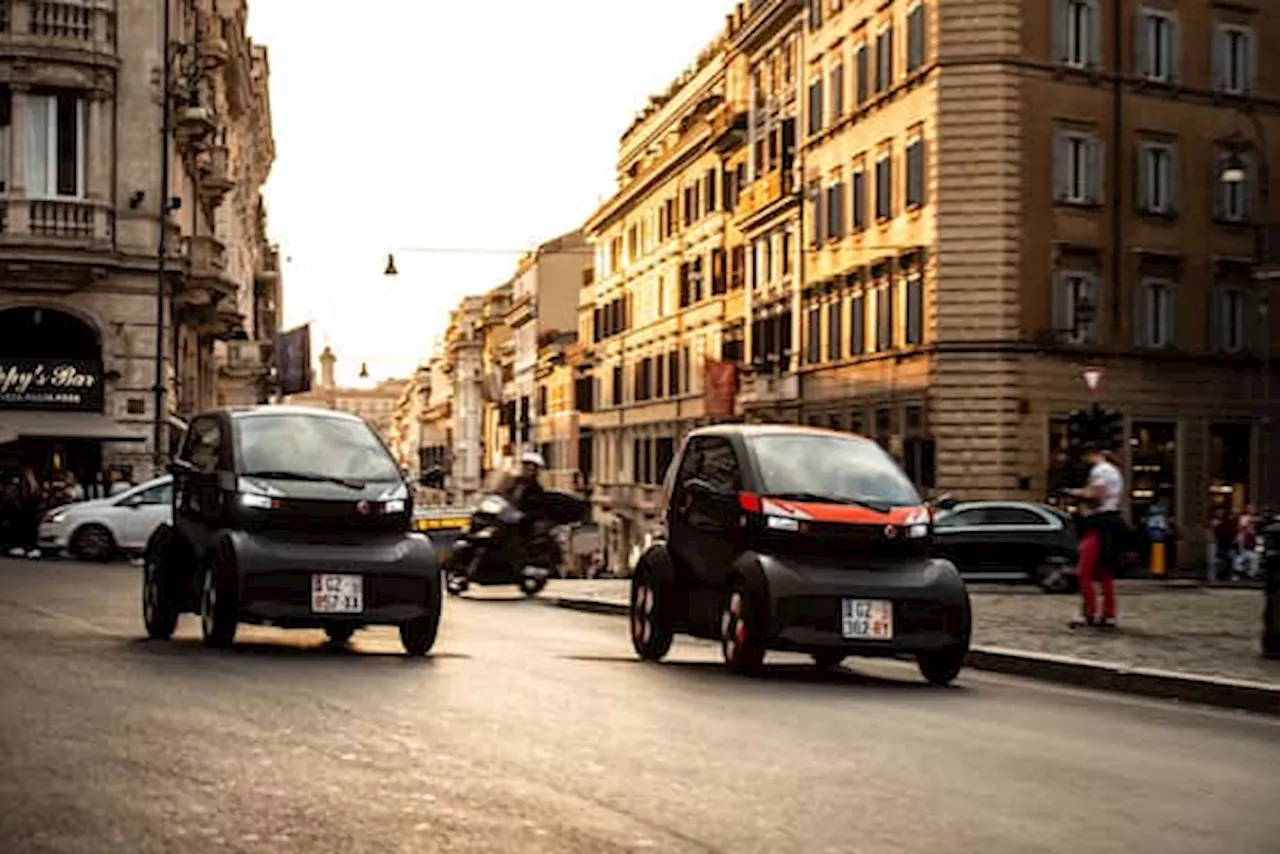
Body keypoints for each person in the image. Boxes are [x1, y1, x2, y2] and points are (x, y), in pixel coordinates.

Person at [1067, 444, 1125, 629]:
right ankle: (1109, 614)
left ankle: (1089, 613)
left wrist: (1078, 494)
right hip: (1112, 522)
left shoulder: (1100, 471)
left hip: (1100, 523)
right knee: (1104, 572)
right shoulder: (1114, 471)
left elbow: (1096, 497)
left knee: (1084, 572)